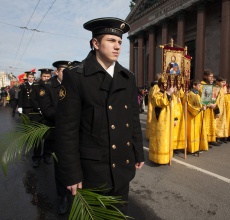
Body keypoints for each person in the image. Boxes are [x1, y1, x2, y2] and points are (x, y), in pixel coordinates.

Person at [54, 17, 145, 214]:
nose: (117, 46)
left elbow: (132, 118)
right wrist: (71, 173)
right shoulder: (76, 76)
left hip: (122, 167)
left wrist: (138, 151)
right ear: (95, 43)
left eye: (120, 42)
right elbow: (67, 131)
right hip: (92, 171)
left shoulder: (127, 77)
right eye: (111, 40)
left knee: (119, 214)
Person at [39, 60, 71, 214]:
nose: (66, 73)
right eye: (64, 70)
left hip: (75, 132)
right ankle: (63, 196)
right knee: (61, 165)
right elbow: (47, 110)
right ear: (57, 72)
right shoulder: (48, 86)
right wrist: (66, 118)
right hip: (59, 131)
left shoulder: (73, 85)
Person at [29, 68, 53, 167]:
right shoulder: (36, 86)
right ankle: (36, 158)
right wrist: (39, 108)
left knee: (50, 138)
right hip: (38, 116)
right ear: (41, 76)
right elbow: (33, 99)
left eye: (48, 76)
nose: (46, 78)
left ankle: (47, 155)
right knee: (37, 138)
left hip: (49, 116)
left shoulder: (53, 86)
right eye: (44, 76)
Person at [185, 80, 208, 154]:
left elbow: (200, 104)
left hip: (199, 115)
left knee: (198, 131)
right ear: (194, 86)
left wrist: (204, 106)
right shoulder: (190, 94)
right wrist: (200, 109)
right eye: (198, 85)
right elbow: (189, 106)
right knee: (193, 132)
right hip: (192, 117)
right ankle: (193, 148)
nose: (200, 87)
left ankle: (198, 146)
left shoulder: (198, 94)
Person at [200, 69, 221, 147]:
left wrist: (215, 106)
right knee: (205, 125)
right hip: (205, 108)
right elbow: (202, 98)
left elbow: (213, 97)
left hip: (211, 109)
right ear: (205, 76)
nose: (212, 78)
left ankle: (210, 139)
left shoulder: (211, 85)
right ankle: (205, 141)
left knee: (211, 125)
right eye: (210, 76)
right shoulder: (202, 85)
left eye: (212, 76)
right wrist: (210, 105)